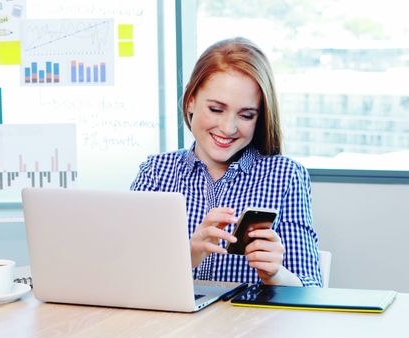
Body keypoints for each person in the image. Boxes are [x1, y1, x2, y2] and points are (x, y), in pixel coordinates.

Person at [131, 37, 322, 287]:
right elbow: (128, 276)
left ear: (259, 117)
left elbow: (312, 289)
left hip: (249, 326)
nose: (228, 128)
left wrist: (275, 275)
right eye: (216, 109)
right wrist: (187, 257)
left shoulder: (286, 176)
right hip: (171, 325)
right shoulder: (156, 172)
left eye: (246, 115)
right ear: (190, 101)